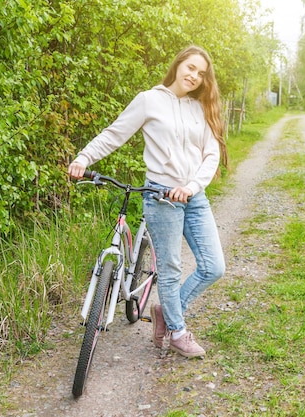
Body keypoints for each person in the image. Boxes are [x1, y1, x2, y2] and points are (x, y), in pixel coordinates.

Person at [68, 45, 227, 358]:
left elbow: (211, 153)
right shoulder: (149, 100)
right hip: (160, 196)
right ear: (178, 64)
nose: (194, 76)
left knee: (214, 267)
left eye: (201, 73)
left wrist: (193, 186)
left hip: (194, 197)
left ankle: (165, 313)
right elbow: (115, 134)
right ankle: (178, 333)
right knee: (169, 269)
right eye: (190, 68)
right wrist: (84, 156)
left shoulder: (199, 108)